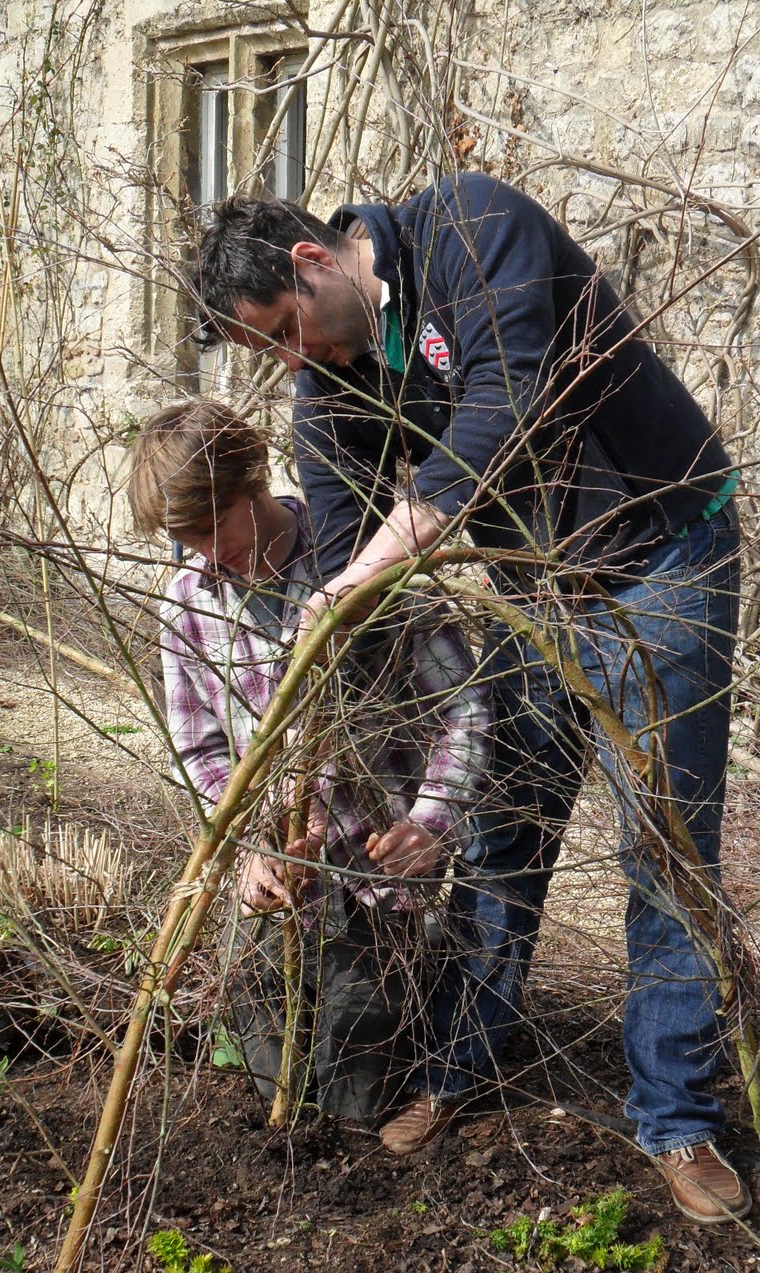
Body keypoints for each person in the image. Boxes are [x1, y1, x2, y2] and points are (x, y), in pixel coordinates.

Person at [194, 173, 752, 1221]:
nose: (287, 363)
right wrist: (308, 779)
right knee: (502, 829)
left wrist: (363, 575)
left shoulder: (472, 229)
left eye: (281, 333)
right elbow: (336, 562)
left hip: (660, 554)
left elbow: (507, 399)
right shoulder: (333, 384)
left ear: (313, 264)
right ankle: (459, 1067)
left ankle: (676, 1118)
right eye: (265, 353)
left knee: (665, 846)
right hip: (537, 587)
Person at [128, 398, 491, 1146]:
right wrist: (249, 846)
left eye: (213, 528)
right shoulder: (188, 607)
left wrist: (431, 823)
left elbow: (464, 709)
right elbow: (202, 752)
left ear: (255, 481)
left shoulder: (361, 567)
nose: (204, 555)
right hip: (279, 879)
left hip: (374, 881)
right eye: (185, 540)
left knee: (352, 1095)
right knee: (267, 1057)